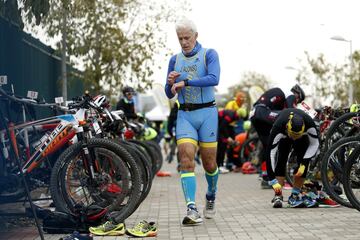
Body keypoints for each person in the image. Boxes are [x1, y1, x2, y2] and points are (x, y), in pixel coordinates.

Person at [164, 17, 220, 225]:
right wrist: (170, 84)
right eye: (180, 39)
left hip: (207, 114)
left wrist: (184, 82)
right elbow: (169, 93)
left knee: (209, 164)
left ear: (196, 36)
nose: (184, 42)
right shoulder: (174, 60)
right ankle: (191, 208)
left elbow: (214, 79)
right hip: (185, 115)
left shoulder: (209, 54)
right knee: (186, 160)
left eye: (187, 37)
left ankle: (211, 194)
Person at [249, 84, 305, 188]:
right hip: (263, 112)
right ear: (298, 95)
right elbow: (291, 111)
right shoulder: (290, 95)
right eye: (298, 101)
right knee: (287, 117)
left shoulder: (281, 96)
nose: (297, 103)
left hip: (255, 115)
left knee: (268, 148)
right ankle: (279, 177)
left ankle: (266, 178)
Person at [266, 108, 319, 208]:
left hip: (302, 137)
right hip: (284, 136)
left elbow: (315, 144)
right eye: (293, 135)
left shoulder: (309, 124)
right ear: (287, 127)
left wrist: (304, 162)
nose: (294, 138)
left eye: (296, 135)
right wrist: (272, 179)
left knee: (303, 164)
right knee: (281, 159)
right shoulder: (279, 126)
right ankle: (278, 195)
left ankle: (295, 194)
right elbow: (270, 153)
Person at [216, 108, 247, 173]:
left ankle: (219, 165)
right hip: (216, 125)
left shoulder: (233, 115)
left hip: (218, 125)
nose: (239, 119)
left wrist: (231, 139)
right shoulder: (231, 115)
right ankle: (219, 166)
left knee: (223, 145)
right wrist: (227, 137)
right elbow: (222, 127)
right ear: (239, 115)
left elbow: (227, 127)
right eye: (240, 117)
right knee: (222, 146)